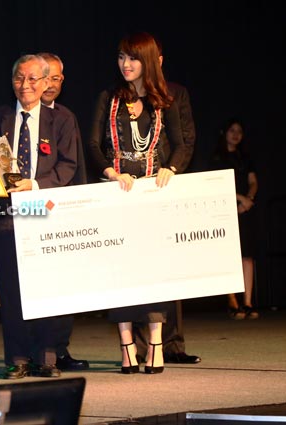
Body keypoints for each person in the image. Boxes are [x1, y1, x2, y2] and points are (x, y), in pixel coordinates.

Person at [88, 32, 194, 374]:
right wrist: (109, 172)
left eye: (132, 58)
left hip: (152, 198)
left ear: (148, 60)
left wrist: (171, 168)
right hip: (117, 196)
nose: (125, 65)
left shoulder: (167, 98)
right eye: (120, 57)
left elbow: (181, 143)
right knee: (120, 274)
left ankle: (157, 345)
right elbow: (92, 145)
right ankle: (126, 346)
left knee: (154, 272)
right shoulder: (108, 97)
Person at [0, 54, 79, 379]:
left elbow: (68, 166)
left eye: (33, 79)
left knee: (47, 289)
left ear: (47, 82)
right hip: (7, 218)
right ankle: (18, 359)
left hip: (45, 213)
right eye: (19, 78)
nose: (25, 85)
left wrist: (34, 185)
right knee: (12, 293)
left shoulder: (62, 120)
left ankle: (46, 358)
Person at [131, 40, 202, 365]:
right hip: (131, 190)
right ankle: (141, 348)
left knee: (168, 267)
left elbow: (185, 139)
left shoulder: (175, 93)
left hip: (165, 186)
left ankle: (172, 344)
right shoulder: (121, 95)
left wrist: (171, 168)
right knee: (135, 268)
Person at [36, 52, 89, 372]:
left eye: (57, 78)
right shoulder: (16, 117)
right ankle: (38, 350)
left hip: (61, 209)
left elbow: (74, 167)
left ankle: (59, 348)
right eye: (46, 77)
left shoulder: (66, 117)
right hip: (29, 212)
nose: (51, 84)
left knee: (64, 285)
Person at [210, 117, 259, 320]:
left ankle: (247, 302)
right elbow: (216, 183)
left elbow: (253, 181)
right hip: (224, 208)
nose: (236, 134)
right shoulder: (217, 157)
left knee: (247, 256)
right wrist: (239, 198)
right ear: (225, 133)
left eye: (239, 131)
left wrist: (249, 199)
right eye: (232, 130)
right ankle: (232, 302)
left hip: (244, 209)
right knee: (227, 254)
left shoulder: (245, 157)